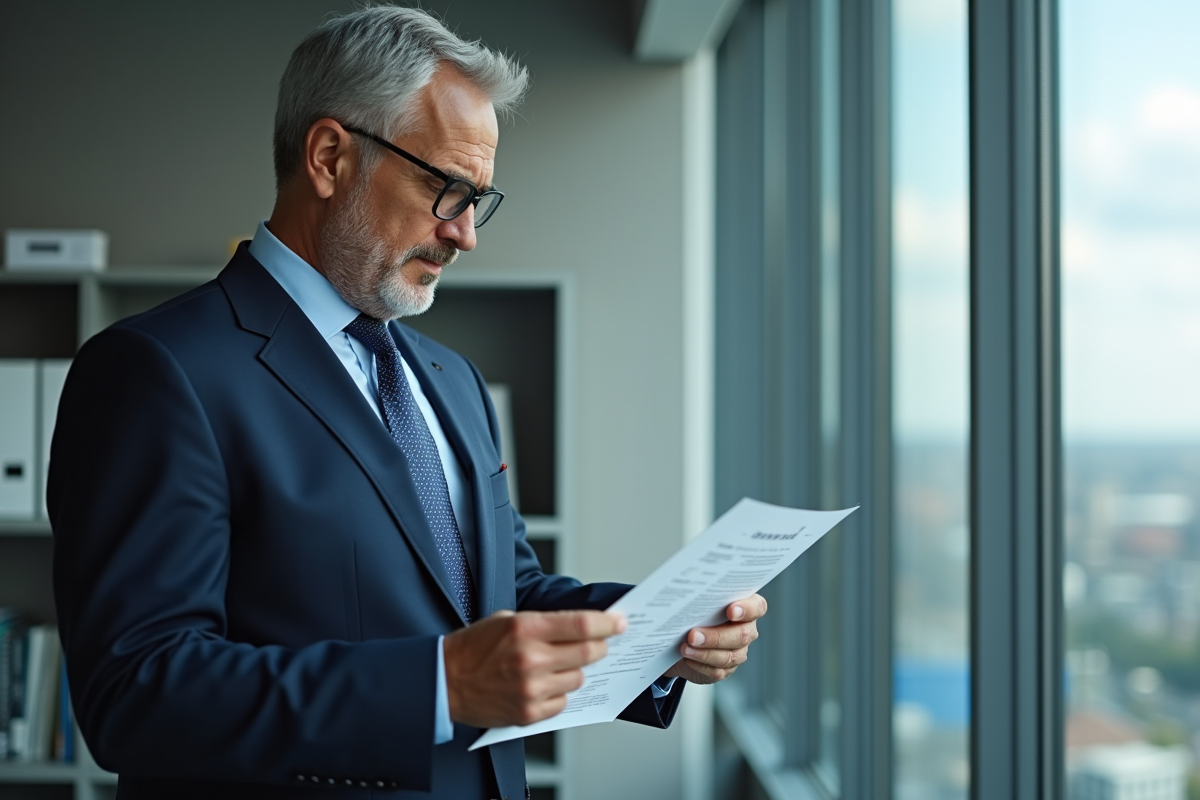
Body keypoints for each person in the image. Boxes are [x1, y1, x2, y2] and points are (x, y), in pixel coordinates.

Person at [48, 7, 767, 799]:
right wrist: (439, 687)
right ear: (329, 157)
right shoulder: (157, 371)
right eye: (445, 188)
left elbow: (501, 597)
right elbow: (136, 691)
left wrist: (659, 630)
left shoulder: (453, 380)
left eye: (478, 199)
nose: (465, 234)